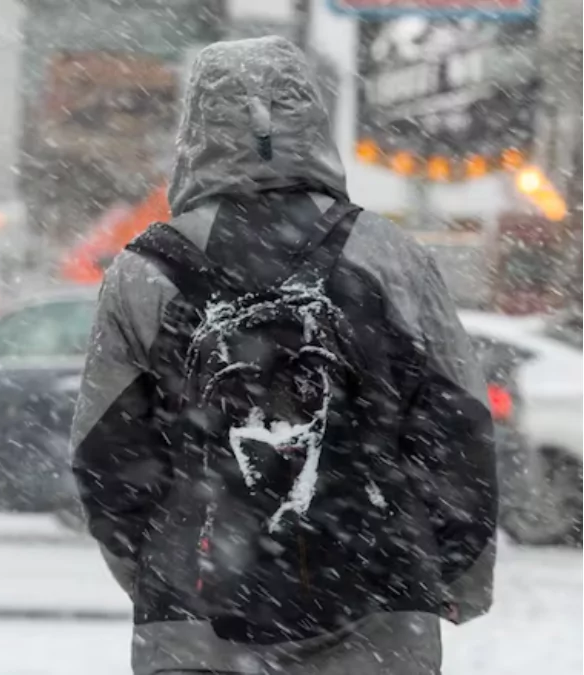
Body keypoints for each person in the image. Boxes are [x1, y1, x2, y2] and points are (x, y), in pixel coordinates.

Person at [71, 37, 495, 675]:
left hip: (196, 630)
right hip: (379, 619)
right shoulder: (391, 257)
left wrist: (163, 573)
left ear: (196, 129)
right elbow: (456, 430)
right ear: (312, 120)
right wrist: (455, 576)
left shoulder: (144, 271)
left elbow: (105, 456)